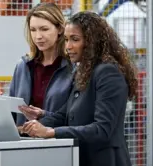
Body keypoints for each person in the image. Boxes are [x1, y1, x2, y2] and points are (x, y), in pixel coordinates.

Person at [21, 11, 138, 166]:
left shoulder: (108, 73)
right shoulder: (84, 72)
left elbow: (102, 129)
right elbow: (64, 116)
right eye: (67, 39)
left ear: (92, 42)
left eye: (75, 40)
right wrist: (26, 128)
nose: (68, 46)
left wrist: (52, 132)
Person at [0, 2, 74, 126]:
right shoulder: (23, 66)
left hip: (57, 142)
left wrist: (44, 115)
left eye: (44, 29)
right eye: (33, 30)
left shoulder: (73, 68)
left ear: (60, 29)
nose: (38, 36)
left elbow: (76, 118)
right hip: (24, 142)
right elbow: (13, 116)